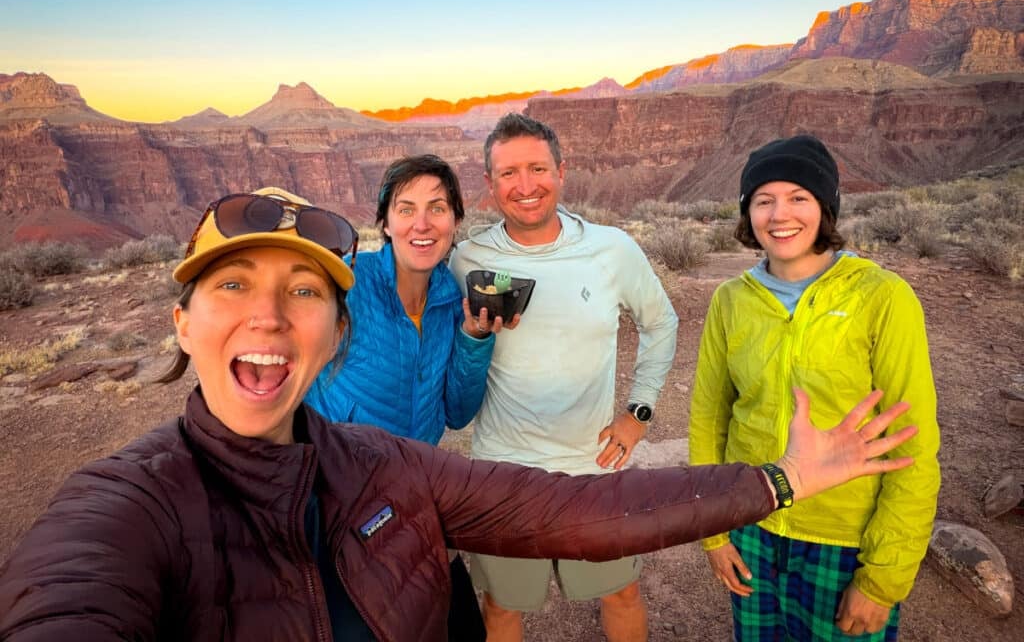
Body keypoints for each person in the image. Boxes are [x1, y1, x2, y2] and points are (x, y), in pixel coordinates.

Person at [0, 184, 920, 642]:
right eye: (231, 283)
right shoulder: (125, 505)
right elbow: (67, 596)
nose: (268, 316)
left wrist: (785, 478)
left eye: (302, 293)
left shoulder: (381, 466)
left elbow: (579, 514)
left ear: (333, 327)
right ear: (181, 321)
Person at [688, 135, 941, 641]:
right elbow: (709, 418)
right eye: (764, 200)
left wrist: (883, 578)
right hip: (752, 518)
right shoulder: (731, 300)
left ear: (825, 208)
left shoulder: (882, 297)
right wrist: (713, 534)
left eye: (798, 197)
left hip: (843, 539)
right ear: (748, 213)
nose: (780, 214)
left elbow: (913, 444)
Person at [448, 113, 679, 642]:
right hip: (501, 471)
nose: (525, 186)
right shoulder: (467, 260)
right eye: (508, 173)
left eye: (537, 169)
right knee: (503, 605)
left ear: (562, 172)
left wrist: (638, 412)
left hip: (592, 465)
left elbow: (661, 322)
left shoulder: (611, 249)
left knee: (620, 591)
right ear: (489, 183)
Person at [305, 155, 513, 640]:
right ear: (385, 221)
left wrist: (473, 337)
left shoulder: (449, 297)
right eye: (406, 208)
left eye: (437, 208)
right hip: (339, 505)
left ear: (455, 220)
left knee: (462, 629)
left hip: (415, 494)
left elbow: (458, 413)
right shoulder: (346, 289)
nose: (422, 223)